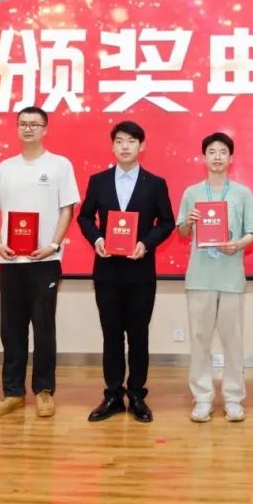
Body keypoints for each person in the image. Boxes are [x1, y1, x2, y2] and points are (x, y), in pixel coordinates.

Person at [0, 107, 80, 420]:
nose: (28, 129)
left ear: (45, 129)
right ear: (16, 128)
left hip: (45, 260)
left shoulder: (60, 165)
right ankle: (12, 392)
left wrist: (53, 245)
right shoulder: (5, 168)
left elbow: (67, 209)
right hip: (11, 260)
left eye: (34, 124)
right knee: (12, 328)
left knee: (44, 326)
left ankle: (44, 390)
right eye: (23, 124)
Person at [78, 120, 175, 423]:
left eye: (131, 141)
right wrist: (97, 239)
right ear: (112, 146)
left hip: (140, 272)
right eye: (119, 141)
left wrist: (146, 243)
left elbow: (167, 222)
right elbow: (84, 218)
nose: (125, 146)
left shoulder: (155, 183)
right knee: (111, 334)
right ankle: (112, 395)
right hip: (107, 271)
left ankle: (136, 395)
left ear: (141, 146)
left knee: (138, 334)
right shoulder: (99, 181)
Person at [176, 132, 253, 423]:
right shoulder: (191, 193)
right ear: (204, 158)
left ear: (231, 158)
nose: (217, 157)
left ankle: (233, 398)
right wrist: (188, 222)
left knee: (233, 340)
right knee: (199, 340)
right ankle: (202, 398)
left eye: (223, 151)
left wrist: (237, 245)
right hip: (200, 277)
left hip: (231, 277)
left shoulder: (242, 193)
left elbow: (252, 232)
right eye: (211, 151)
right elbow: (182, 231)